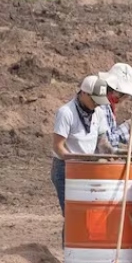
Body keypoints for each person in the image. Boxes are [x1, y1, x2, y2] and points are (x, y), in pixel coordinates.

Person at [51, 75, 112, 215]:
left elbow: (102, 142)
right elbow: (58, 146)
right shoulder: (66, 113)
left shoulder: (98, 113)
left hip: (87, 167)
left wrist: (113, 153)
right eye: (94, 100)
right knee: (72, 215)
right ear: (84, 93)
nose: (97, 104)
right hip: (65, 168)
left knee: (85, 214)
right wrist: (76, 162)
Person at [98, 63, 132, 152]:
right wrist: (126, 127)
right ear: (116, 92)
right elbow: (108, 141)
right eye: (125, 95)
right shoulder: (102, 106)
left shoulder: (108, 105)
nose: (126, 98)